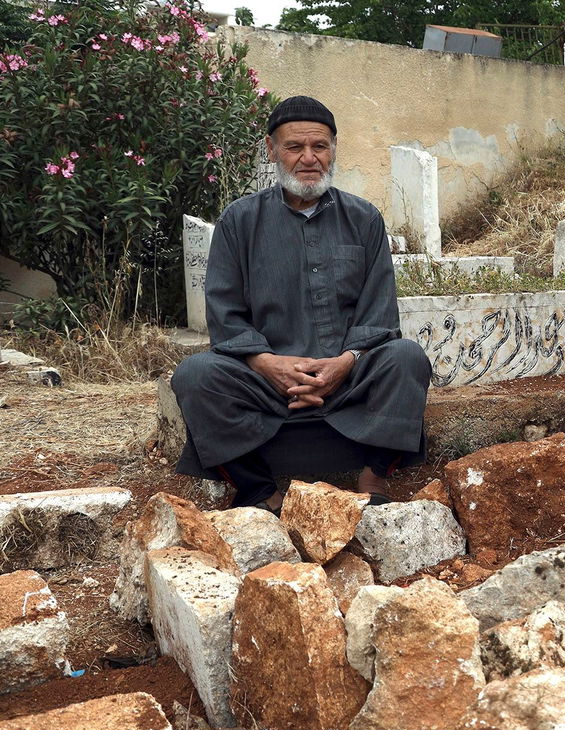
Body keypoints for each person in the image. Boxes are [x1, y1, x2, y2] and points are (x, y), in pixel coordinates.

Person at [171, 96, 431, 513]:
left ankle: (373, 479)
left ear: (333, 149)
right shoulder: (239, 220)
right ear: (273, 150)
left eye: (320, 146)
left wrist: (343, 363)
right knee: (195, 375)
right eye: (295, 147)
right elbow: (225, 314)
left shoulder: (364, 218)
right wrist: (266, 364)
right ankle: (261, 493)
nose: (309, 158)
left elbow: (379, 311)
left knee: (406, 358)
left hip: (349, 379)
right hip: (266, 381)